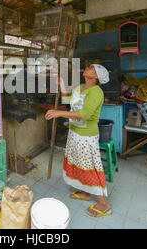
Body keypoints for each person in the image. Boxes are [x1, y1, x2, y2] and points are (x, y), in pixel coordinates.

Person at [45, 64, 112, 217]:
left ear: (96, 77)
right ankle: (85, 192)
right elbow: (68, 99)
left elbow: (84, 114)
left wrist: (59, 113)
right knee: (78, 163)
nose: (87, 68)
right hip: (74, 132)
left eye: (92, 68)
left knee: (88, 165)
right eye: (88, 67)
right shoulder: (81, 87)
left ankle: (103, 203)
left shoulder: (96, 92)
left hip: (86, 136)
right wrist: (62, 84)